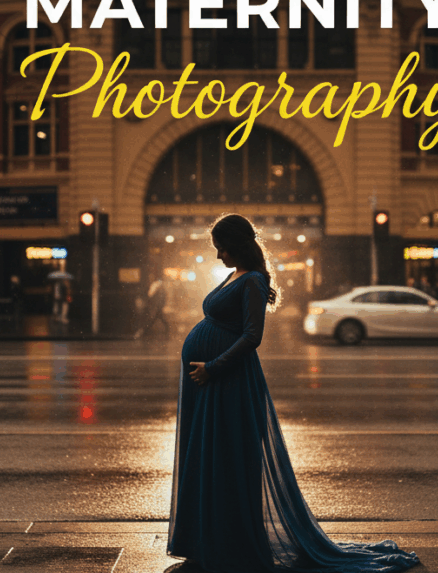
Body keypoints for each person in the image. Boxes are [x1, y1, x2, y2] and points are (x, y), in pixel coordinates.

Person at [168, 214, 419, 573]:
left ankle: (229, 540)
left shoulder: (253, 280)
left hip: (227, 382)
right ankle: (208, 537)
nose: (218, 254)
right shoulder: (233, 275)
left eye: (222, 247)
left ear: (237, 245)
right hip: (210, 384)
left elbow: (252, 337)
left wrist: (213, 367)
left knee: (226, 458)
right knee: (208, 456)